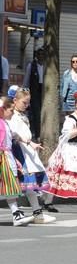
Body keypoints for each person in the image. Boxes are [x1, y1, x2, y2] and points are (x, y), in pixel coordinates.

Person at [9, 88, 55, 223]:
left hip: (26, 150)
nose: (27, 105)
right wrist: (29, 143)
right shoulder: (12, 116)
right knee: (19, 184)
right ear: (15, 101)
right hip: (18, 151)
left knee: (30, 185)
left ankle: (37, 212)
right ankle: (20, 213)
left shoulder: (22, 115)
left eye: (28, 103)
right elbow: (15, 134)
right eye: (24, 102)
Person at [0, 96, 32, 226]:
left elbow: (14, 136)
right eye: (11, 110)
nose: (13, 113)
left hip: (7, 156)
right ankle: (16, 214)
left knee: (9, 186)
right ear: (2, 110)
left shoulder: (6, 124)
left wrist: (29, 142)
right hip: (2, 157)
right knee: (9, 186)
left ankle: (16, 214)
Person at [22, 47, 45, 138]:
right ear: (36, 55)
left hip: (44, 91)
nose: (41, 56)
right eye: (39, 54)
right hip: (35, 91)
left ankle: (42, 133)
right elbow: (26, 80)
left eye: (42, 54)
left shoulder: (47, 66)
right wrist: (24, 91)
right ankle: (36, 134)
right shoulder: (31, 65)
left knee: (43, 113)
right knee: (36, 113)